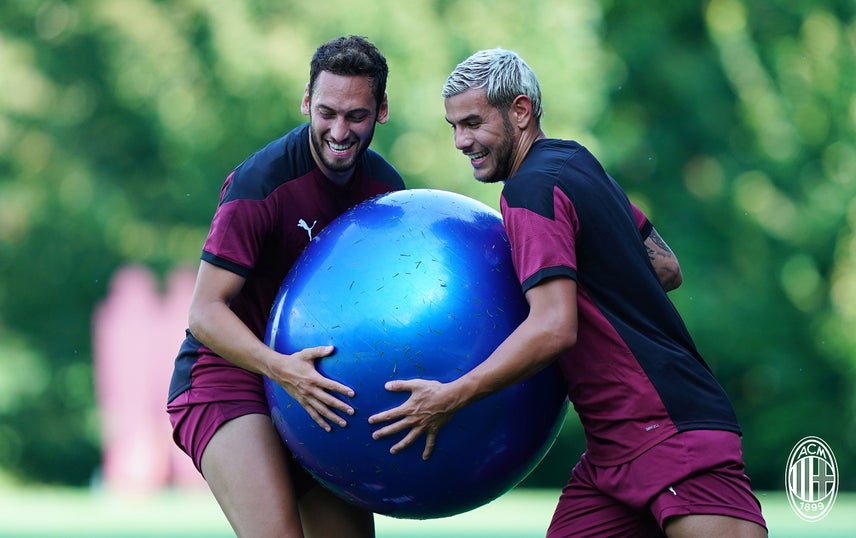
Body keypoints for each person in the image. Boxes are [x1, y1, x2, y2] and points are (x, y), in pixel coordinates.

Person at [368, 48, 768, 537]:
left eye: (472, 123)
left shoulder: (527, 190)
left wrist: (451, 396)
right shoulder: (574, 160)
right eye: (453, 126)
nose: (460, 141)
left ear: (520, 110)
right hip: (612, 452)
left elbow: (554, 327)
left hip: (670, 433)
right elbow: (665, 266)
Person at [167, 35, 404, 537]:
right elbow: (204, 312)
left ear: (381, 110)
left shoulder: (387, 195)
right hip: (228, 377)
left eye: (356, 116)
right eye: (327, 112)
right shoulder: (262, 184)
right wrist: (283, 371)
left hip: (317, 387)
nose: (340, 131)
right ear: (306, 102)